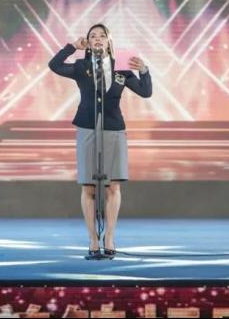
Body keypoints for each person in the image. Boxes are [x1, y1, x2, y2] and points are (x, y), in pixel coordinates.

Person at [48, 23, 152, 259]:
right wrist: (72, 47)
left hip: (113, 128)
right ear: (88, 42)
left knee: (113, 185)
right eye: (92, 36)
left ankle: (110, 236)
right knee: (88, 186)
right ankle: (93, 239)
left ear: (108, 41)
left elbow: (145, 92)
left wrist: (144, 70)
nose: (97, 38)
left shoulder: (121, 67)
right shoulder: (81, 66)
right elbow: (54, 66)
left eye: (102, 36)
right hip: (87, 127)